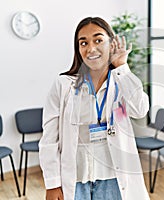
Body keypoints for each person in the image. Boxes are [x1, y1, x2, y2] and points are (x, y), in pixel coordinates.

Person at [39, 17, 150, 200]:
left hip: (114, 177)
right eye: (84, 43)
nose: (91, 48)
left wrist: (122, 66)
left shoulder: (122, 81)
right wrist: (52, 184)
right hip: (75, 180)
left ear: (111, 43)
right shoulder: (64, 85)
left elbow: (140, 109)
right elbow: (50, 139)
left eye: (98, 40)